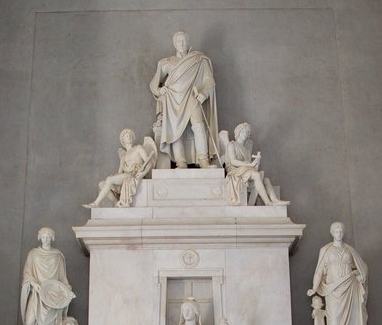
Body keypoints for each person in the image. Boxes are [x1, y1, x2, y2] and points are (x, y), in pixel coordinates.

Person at [150, 31, 218, 169]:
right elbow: (154, 84)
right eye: (178, 41)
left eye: (184, 41)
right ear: (174, 44)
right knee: (175, 130)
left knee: (199, 125)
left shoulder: (199, 59)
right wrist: (159, 90)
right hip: (173, 100)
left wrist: (204, 93)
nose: (181, 44)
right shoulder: (166, 63)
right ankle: (180, 162)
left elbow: (209, 80)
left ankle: (203, 160)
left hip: (192, 97)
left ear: (188, 42)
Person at [308, 222, 369, 325]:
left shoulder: (349, 250)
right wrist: (314, 287)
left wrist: (360, 275)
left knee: (352, 318)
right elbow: (319, 271)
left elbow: (361, 266)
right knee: (334, 318)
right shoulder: (325, 250)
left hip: (349, 287)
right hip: (334, 289)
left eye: (341, 231)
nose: (339, 233)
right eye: (336, 231)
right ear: (331, 233)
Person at [17, 227, 75, 325]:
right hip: (37, 294)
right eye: (43, 236)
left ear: (53, 238)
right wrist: (33, 283)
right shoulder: (33, 254)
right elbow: (27, 274)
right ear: (39, 237)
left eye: (49, 236)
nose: (46, 239)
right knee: (30, 321)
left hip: (52, 297)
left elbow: (62, 279)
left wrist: (68, 292)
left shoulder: (57, 256)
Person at [83, 129, 157, 209]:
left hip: (133, 176)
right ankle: (116, 201)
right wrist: (116, 182)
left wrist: (143, 173)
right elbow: (120, 172)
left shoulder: (138, 148)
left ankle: (96, 203)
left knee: (110, 179)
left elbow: (149, 163)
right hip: (125, 176)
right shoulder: (123, 156)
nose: (129, 136)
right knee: (101, 184)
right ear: (123, 140)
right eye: (126, 136)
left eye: (130, 135)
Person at [219, 122, 289, 206]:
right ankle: (268, 202)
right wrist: (250, 165)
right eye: (243, 132)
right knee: (256, 175)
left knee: (266, 180)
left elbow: (250, 165)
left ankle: (275, 200)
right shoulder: (231, 145)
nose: (245, 134)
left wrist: (256, 162)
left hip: (245, 170)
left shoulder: (245, 149)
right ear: (238, 133)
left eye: (247, 132)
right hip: (234, 171)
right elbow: (233, 161)